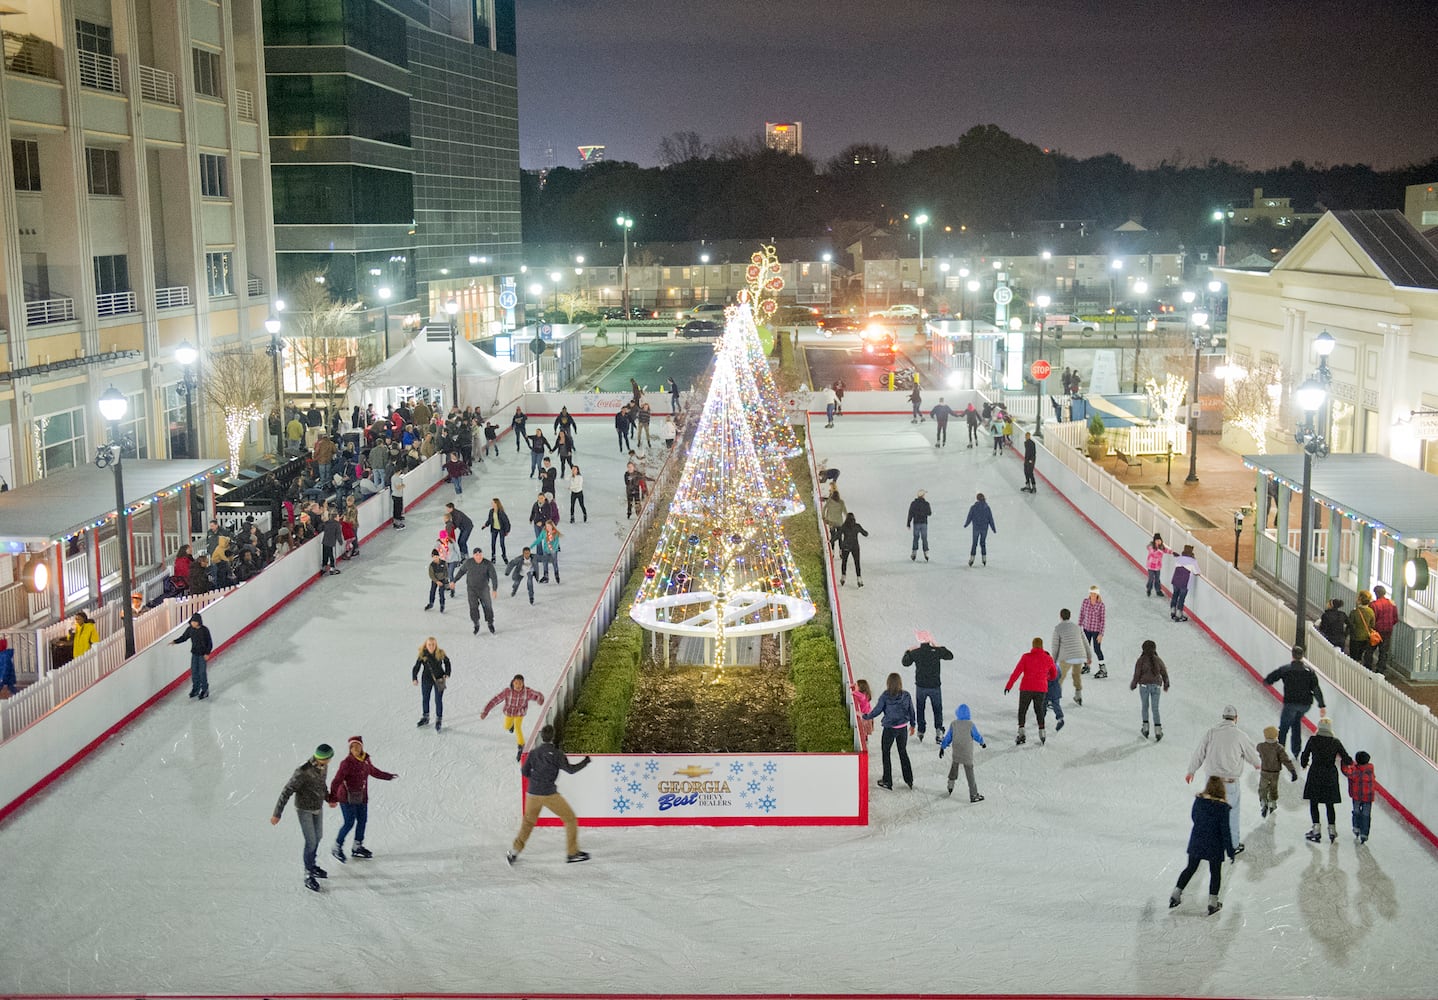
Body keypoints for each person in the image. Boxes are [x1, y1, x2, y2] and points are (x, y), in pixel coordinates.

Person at [508, 724, 591, 865]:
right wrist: (585, 761)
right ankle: (572, 853)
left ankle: (515, 851)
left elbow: (524, 772)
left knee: (527, 823)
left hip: (532, 794)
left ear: (542, 737)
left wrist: (535, 781)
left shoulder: (534, 753)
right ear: (553, 736)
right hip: (549, 794)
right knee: (570, 819)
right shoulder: (557, 754)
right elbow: (571, 770)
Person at [1186, 704, 1262, 855]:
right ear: (1236, 718)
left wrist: (1191, 771)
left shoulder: (1212, 732)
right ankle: (1233, 845)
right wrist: (1258, 764)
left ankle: (1208, 841)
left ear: (1223, 717)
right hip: (1230, 782)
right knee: (1231, 813)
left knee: (1210, 812)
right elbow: (1253, 756)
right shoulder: (1240, 735)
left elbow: (1199, 752)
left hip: (1211, 782)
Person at [270, 744, 337, 893]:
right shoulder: (303, 771)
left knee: (318, 837)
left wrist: (328, 798)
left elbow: (321, 785)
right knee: (311, 841)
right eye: (329, 758)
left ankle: (312, 865)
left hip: (317, 808)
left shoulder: (323, 767)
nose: (330, 761)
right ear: (325, 758)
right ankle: (308, 873)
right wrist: (277, 813)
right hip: (304, 809)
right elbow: (286, 791)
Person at [1168, 775, 1235, 916]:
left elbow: (1194, 817)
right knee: (1215, 873)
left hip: (1197, 839)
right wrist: (1230, 850)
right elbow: (1225, 831)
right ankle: (1212, 902)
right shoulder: (1223, 808)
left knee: (1190, 868)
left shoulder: (1199, 801)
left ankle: (1176, 894)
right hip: (1215, 843)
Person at [328, 736, 397, 863]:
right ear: (350, 749)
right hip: (346, 798)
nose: (356, 749)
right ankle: (336, 847)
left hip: (361, 797)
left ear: (362, 746)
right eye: (353, 747)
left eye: (358, 746)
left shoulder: (365, 760)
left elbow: (372, 771)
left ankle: (357, 846)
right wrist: (332, 798)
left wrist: (387, 776)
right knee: (349, 822)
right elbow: (336, 781)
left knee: (362, 821)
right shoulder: (346, 763)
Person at [1263, 646, 1327, 756]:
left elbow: (1272, 677)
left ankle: (1280, 750)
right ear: (1302, 656)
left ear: (1292, 655)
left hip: (1291, 703)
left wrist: (1267, 682)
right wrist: (1321, 705)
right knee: (1296, 723)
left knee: (1284, 727)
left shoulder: (1286, 669)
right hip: (1305, 704)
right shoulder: (1309, 671)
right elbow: (1316, 689)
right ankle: (1296, 751)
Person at [1301, 716, 1352, 843]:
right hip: (1330, 774)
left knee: (1314, 802)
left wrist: (1304, 764)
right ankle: (1332, 829)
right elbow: (1347, 759)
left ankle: (1316, 829)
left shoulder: (1313, 740)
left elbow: (1305, 754)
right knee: (1330, 804)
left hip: (1315, 773)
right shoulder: (1335, 742)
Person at [863, 672, 916, 790]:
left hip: (890, 729)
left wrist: (866, 716)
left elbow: (877, 711)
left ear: (888, 683)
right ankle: (909, 779)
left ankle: (887, 780)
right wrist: (912, 725)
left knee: (886, 752)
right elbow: (911, 711)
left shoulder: (885, 696)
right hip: (902, 728)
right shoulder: (906, 695)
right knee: (903, 752)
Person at [902, 630, 953, 742]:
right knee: (937, 708)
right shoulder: (937, 651)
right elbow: (950, 656)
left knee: (920, 708)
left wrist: (908, 652)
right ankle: (939, 730)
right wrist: (938, 646)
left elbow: (905, 663)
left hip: (921, 686)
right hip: (935, 686)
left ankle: (921, 730)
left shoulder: (916, 652)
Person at [481, 673, 546, 761]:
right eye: (516, 683)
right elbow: (495, 700)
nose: (518, 686)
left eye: (520, 683)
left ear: (523, 684)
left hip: (520, 713)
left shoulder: (527, 692)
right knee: (506, 726)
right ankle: (511, 726)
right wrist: (486, 711)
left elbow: (537, 695)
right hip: (509, 713)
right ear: (513, 682)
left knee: (518, 728)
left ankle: (521, 746)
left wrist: (540, 700)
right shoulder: (507, 692)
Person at [1005, 638, 1057, 746]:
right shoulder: (1048, 658)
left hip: (1026, 688)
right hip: (1041, 689)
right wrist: (1046, 677)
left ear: (1033, 646)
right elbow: (1054, 675)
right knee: (1039, 710)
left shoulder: (1026, 657)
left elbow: (1017, 672)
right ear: (1042, 646)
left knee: (1022, 710)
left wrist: (1009, 685)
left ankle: (1021, 733)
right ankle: (1042, 733)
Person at [938, 704, 987, 801]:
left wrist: (942, 747)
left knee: (954, 767)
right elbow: (976, 735)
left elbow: (948, 737)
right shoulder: (970, 724)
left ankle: (950, 785)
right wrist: (982, 742)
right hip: (967, 753)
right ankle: (973, 795)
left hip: (957, 750)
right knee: (970, 773)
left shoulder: (954, 724)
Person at [1130, 639, 1170, 741]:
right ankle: (1158, 730)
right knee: (1155, 708)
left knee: (1145, 706)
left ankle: (1145, 728)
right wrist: (1166, 684)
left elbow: (1137, 674)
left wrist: (1134, 684)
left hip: (1144, 686)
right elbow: (1164, 673)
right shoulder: (1158, 660)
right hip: (1156, 687)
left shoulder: (1141, 660)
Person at [1051, 608, 1092, 706]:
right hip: (1080, 655)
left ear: (1060, 616)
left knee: (1059, 678)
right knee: (1076, 675)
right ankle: (1078, 696)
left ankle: (1054, 699)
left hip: (1067, 657)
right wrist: (1089, 657)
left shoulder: (1058, 628)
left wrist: (1053, 660)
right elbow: (1085, 642)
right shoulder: (1077, 627)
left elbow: (1055, 646)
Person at [1257, 725, 1298, 818]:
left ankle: (1263, 802)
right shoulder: (1279, 748)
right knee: (1273, 788)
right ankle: (1272, 802)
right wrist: (1292, 771)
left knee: (1262, 788)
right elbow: (1286, 760)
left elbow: (1256, 751)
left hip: (1264, 772)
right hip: (1275, 773)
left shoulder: (1261, 746)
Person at [171, 612, 214, 700]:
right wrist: (175, 641)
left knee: (202, 672)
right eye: (192, 622)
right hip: (194, 654)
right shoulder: (190, 630)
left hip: (202, 655)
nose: (192, 623)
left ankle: (205, 690)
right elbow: (184, 637)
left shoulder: (204, 630)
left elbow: (209, 643)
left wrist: (207, 653)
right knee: (194, 672)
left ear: (199, 622)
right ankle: (196, 689)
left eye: (194, 622)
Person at [411, 636, 451, 731]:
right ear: (426, 645)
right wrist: (414, 678)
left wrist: (447, 673)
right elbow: (416, 667)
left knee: (438, 700)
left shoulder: (440, 653)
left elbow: (447, 662)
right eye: (429, 644)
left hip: (440, 679)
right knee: (425, 698)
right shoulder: (422, 655)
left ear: (436, 645)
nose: (431, 646)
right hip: (426, 679)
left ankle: (438, 719)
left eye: (433, 644)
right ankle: (425, 717)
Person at [1342, 750, 1376, 844]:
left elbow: (1347, 772)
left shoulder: (1355, 770)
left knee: (1356, 812)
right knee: (1366, 815)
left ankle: (1356, 828)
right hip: (1368, 797)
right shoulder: (1370, 769)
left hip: (1356, 795)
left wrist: (1343, 763)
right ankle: (1364, 834)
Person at [464, 549, 499, 635]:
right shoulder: (469, 562)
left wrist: (494, 589)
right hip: (472, 589)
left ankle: (490, 623)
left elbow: (493, 577)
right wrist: (454, 581)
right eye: (476, 555)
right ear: (473, 556)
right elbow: (461, 571)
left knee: (488, 607)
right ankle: (476, 623)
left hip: (484, 589)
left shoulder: (487, 564)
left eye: (480, 555)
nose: (479, 557)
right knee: (473, 607)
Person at [1078, 585, 1107, 677]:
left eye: (1094, 594)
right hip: (1086, 628)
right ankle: (1086, 665)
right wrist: (1079, 626)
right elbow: (1082, 614)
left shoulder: (1101, 605)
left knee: (1097, 649)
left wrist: (1101, 634)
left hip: (1096, 631)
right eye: (1091, 593)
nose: (1092, 595)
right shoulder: (1085, 602)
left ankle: (1103, 669)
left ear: (1097, 594)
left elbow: (1102, 620)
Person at [1370, 585, 1398, 674]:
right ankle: (1380, 670)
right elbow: (1395, 618)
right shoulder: (1392, 604)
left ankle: (1368, 667)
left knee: (1370, 649)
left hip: (1376, 631)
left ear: (1376, 593)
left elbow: (1372, 619)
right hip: (1388, 631)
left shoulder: (1374, 605)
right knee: (1384, 651)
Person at [963, 492, 996, 567]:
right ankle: (984, 559)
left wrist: (966, 524)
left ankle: (972, 559)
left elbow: (970, 517)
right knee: (983, 543)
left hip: (976, 528)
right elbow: (990, 519)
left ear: (977, 499)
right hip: (984, 528)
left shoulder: (974, 507)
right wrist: (993, 528)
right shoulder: (987, 508)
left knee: (974, 543)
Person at [837, 512, 868, 587]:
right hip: (855, 547)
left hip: (846, 547)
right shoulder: (857, 526)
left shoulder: (844, 526)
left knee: (844, 562)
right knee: (857, 563)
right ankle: (859, 579)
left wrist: (831, 541)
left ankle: (843, 577)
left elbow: (838, 535)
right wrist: (864, 532)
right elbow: (865, 533)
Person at [1348, 589, 1377, 669]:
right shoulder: (1371, 611)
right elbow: (1373, 624)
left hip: (1355, 637)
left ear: (1360, 600)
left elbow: (1350, 624)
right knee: (1361, 655)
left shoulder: (1354, 612)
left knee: (1354, 657)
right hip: (1366, 638)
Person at [1170, 544, 1199, 622]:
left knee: (1175, 595)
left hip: (1175, 580)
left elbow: (1176, 565)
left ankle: (1173, 610)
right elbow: (1196, 572)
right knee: (1181, 598)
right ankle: (1179, 614)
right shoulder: (1193, 561)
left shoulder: (1178, 558)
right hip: (1184, 582)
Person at [906, 489, 931, 562]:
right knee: (924, 538)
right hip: (924, 523)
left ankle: (914, 553)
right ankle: (926, 553)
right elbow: (929, 513)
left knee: (916, 538)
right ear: (923, 496)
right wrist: (924, 512)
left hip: (916, 523)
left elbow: (910, 513)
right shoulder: (926, 504)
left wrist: (908, 523)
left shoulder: (913, 504)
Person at [483, 498, 510, 563]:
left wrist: (507, 531)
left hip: (501, 530)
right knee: (493, 543)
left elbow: (507, 522)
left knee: (502, 543)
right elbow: (489, 520)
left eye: (493, 503)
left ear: (496, 503)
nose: (491, 504)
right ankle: (493, 555)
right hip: (494, 529)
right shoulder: (491, 511)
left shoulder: (501, 512)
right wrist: (485, 525)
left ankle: (504, 555)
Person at [822, 488, 848, 552]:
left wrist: (824, 517)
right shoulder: (841, 502)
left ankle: (832, 550)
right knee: (839, 537)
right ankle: (840, 550)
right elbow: (845, 512)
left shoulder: (829, 501)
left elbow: (824, 508)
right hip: (839, 522)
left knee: (833, 536)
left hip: (831, 522)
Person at [319, 510, 343, 577]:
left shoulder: (327, 522)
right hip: (331, 543)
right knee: (332, 556)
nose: (339, 518)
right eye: (338, 516)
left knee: (325, 555)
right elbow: (338, 534)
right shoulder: (337, 524)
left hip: (324, 542)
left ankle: (324, 567)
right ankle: (332, 568)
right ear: (335, 517)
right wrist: (340, 542)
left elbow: (321, 528)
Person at [851, 679, 874, 743]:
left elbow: (854, 693)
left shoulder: (862, 696)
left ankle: (864, 742)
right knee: (865, 730)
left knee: (863, 730)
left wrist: (852, 690)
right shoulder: (866, 693)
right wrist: (854, 685)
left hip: (865, 717)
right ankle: (865, 739)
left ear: (860, 688)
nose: (855, 686)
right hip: (868, 714)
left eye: (856, 686)